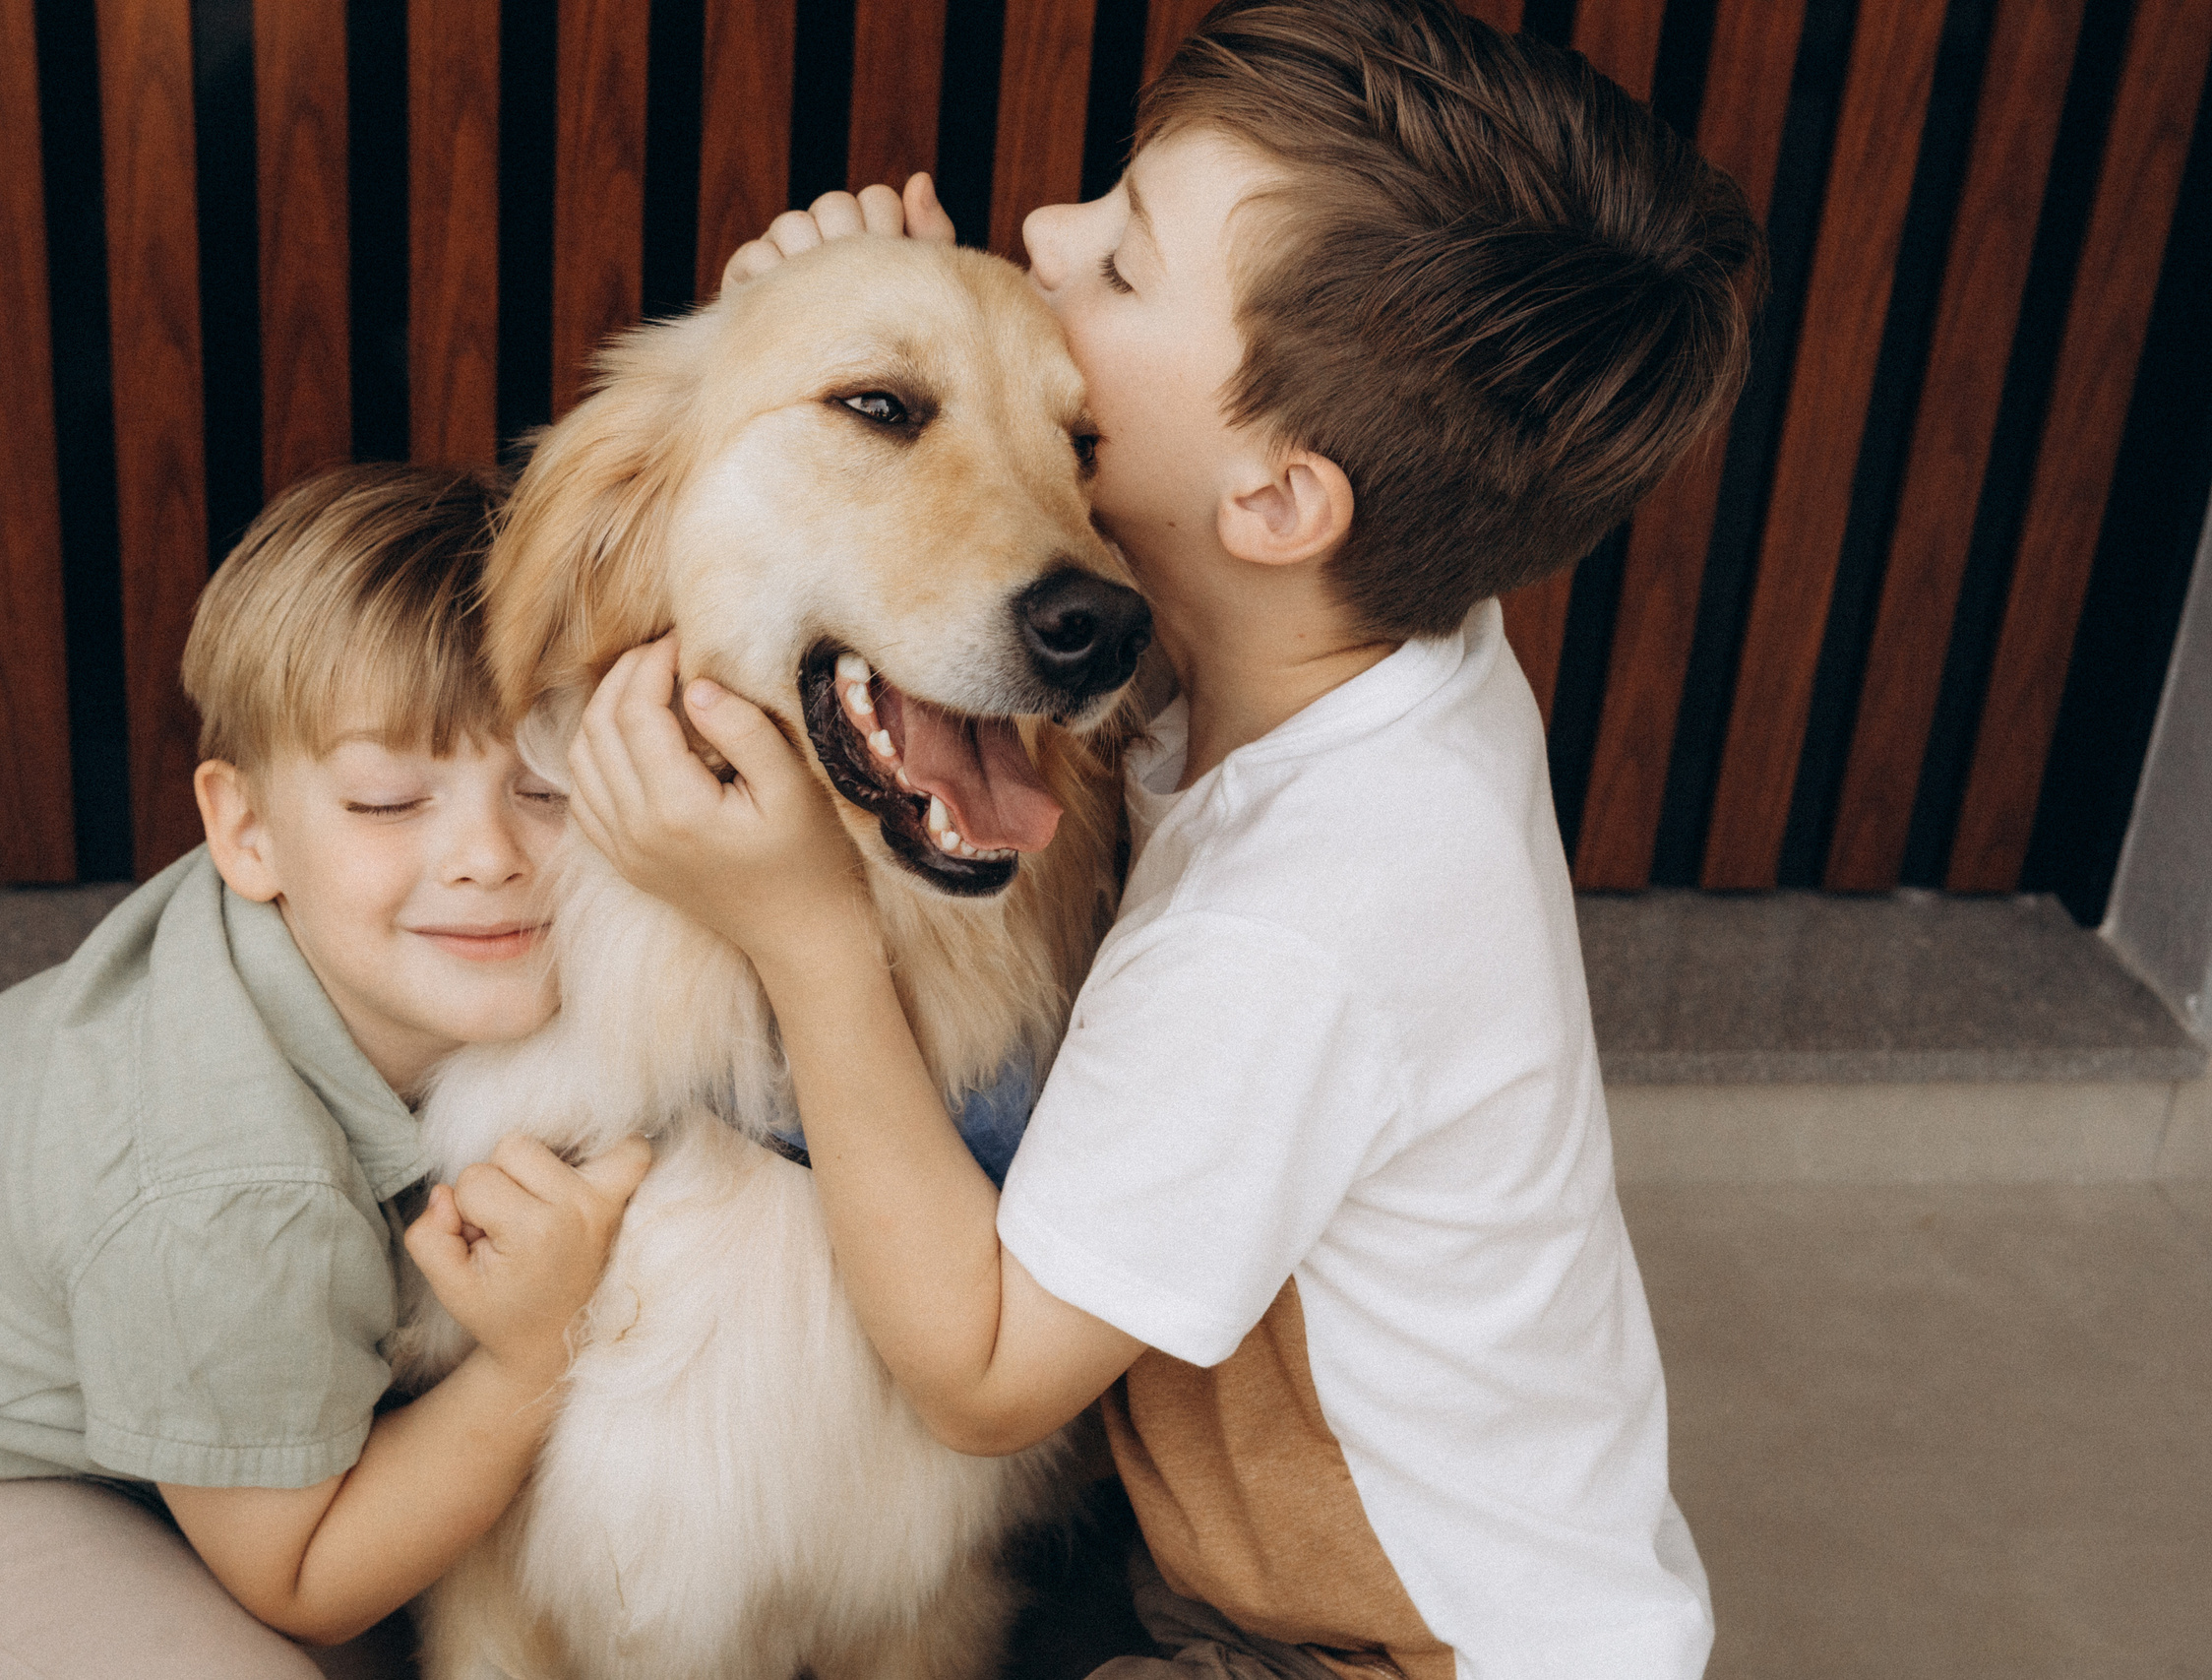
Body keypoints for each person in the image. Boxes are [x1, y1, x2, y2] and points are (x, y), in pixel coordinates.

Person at [571, 3, 1763, 1676]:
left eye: (1122, 261)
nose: (1043, 232)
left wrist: (805, 938)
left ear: (1277, 498)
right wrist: (880, 335)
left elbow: (981, 1374)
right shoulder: (1372, 623)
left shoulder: (1296, 927)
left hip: (1363, 1651)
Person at [0, 465, 650, 1679]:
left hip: (127, 1402)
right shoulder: (232, 1188)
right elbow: (302, 1583)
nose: (487, 856)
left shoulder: (369, 962)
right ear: (246, 834)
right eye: (388, 799)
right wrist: (533, 1349)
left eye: (545, 787)